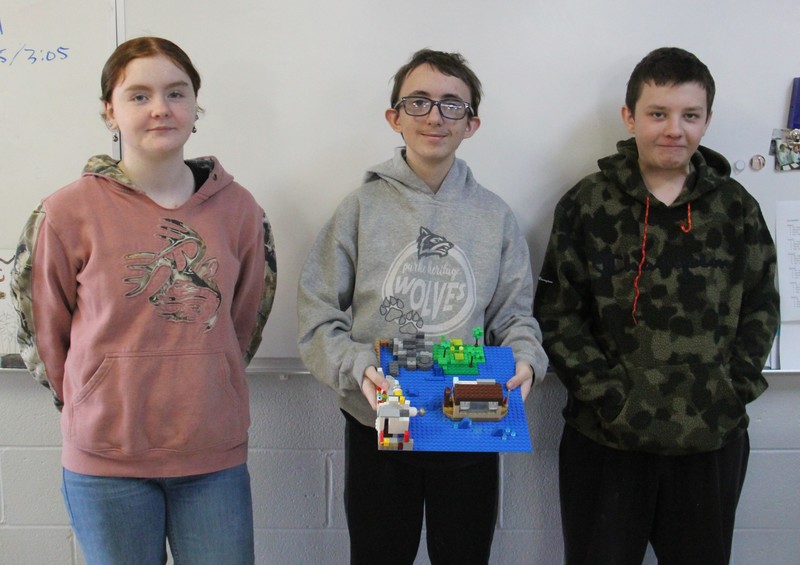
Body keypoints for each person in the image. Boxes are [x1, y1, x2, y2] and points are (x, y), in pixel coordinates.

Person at [11, 37, 277, 565]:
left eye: (176, 93)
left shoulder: (240, 210)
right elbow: (42, 331)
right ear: (109, 111)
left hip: (212, 457)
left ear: (195, 108)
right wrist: (93, 398)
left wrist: (207, 376)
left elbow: (246, 318)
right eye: (139, 95)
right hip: (105, 463)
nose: (160, 108)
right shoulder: (65, 213)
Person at [297, 48, 548, 565]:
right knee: (380, 552)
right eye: (419, 102)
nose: (435, 116)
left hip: (472, 410)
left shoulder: (495, 217)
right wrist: (357, 365)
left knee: (464, 553)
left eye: (452, 105)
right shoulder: (359, 210)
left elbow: (514, 314)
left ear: (471, 124)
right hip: (382, 413)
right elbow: (318, 312)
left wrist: (526, 356)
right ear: (395, 117)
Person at [534, 47, 779, 565]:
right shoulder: (587, 205)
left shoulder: (737, 208)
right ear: (630, 117)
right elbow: (557, 313)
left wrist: (729, 393)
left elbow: (762, 308)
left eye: (690, 116)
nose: (674, 130)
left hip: (709, 441)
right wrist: (612, 399)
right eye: (658, 113)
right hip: (607, 442)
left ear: (707, 120)